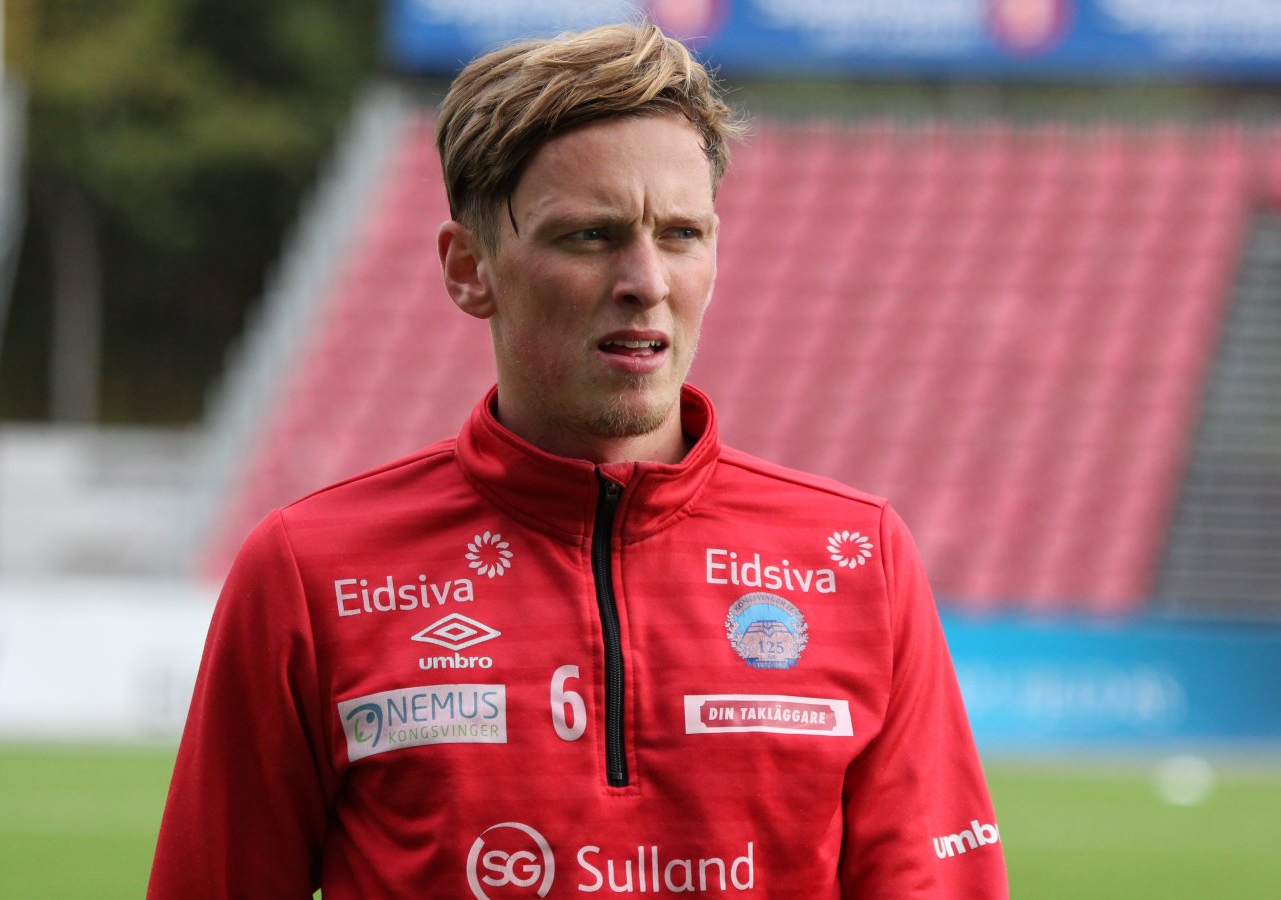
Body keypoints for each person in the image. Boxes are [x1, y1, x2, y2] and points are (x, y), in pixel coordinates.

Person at [149, 21, 1007, 898]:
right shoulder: (310, 572)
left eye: (681, 234)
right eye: (591, 236)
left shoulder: (857, 562)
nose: (648, 282)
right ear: (469, 268)